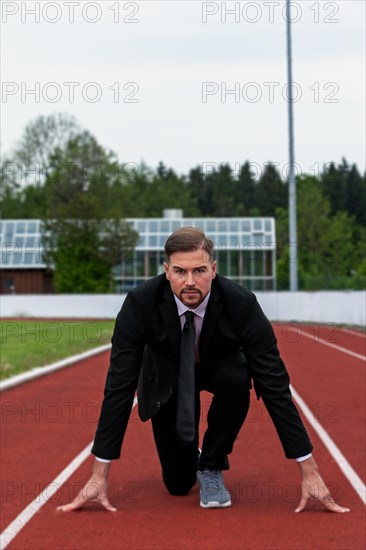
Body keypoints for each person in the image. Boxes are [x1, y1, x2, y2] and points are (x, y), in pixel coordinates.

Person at [58, 227, 349, 513]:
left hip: (219, 366)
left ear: (213, 269)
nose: (190, 282)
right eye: (180, 271)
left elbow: (274, 383)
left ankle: (211, 464)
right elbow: (119, 385)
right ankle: (190, 460)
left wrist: (309, 469)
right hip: (167, 375)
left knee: (238, 376)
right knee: (178, 483)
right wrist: (99, 473)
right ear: (166, 270)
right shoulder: (140, 303)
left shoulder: (241, 304)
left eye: (198, 270)